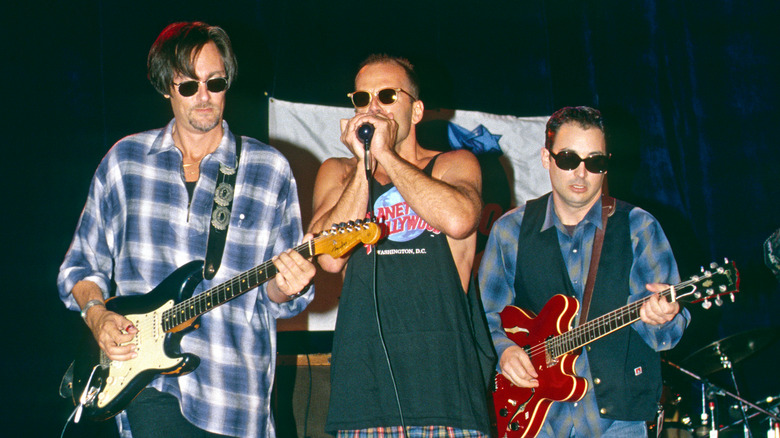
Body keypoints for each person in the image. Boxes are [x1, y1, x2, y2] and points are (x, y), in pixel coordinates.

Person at [57, 22, 315, 437]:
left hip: (234, 392)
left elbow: (278, 299)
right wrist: (98, 314)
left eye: (215, 82)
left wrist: (289, 284)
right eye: (189, 86)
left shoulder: (269, 170)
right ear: (165, 87)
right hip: (147, 386)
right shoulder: (125, 162)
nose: (204, 96)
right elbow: (81, 265)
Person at [479, 106, 690, 437]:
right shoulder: (510, 231)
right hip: (538, 420)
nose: (581, 173)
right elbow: (482, 317)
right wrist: (504, 350)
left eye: (595, 162)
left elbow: (668, 337)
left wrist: (662, 318)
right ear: (546, 159)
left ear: (606, 165)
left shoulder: (640, 227)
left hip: (618, 421)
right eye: (568, 159)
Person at [309, 54, 491, 437]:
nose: (372, 109)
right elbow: (327, 257)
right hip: (364, 394)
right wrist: (364, 164)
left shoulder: (453, 164)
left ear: (417, 109)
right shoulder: (339, 172)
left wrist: (386, 156)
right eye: (362, 99)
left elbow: (459, 219)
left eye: (387, 96)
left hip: (446, 396)